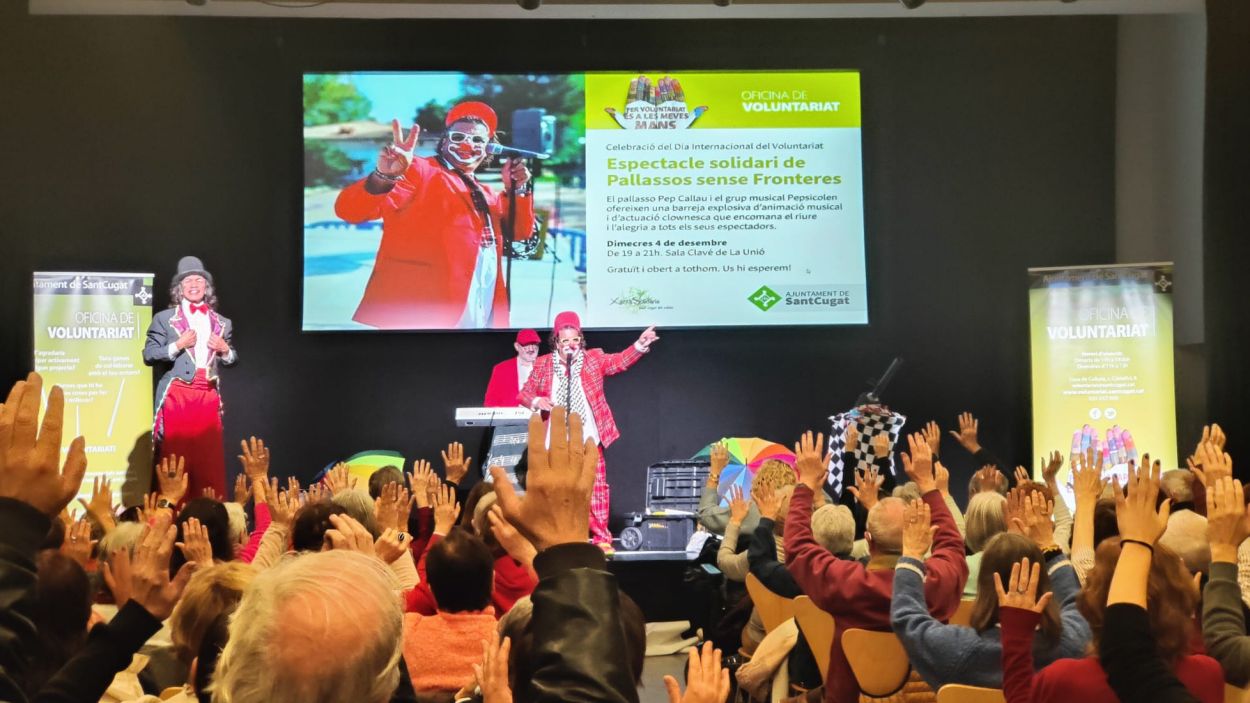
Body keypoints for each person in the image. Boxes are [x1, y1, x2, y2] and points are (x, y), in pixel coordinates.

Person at [999, 459, 1222, 703]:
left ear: (1093, 603)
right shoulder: (1208, 674)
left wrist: (1017, 635)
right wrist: (1188, 610)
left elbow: (1020, 698)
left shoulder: (1063, 679)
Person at [784, 431, 967, 703]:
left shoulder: (847, 583)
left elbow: (798, 547)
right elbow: (952, 546)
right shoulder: (937, 584)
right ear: (920, 536)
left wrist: (806, 484)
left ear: (868, 541)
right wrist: (929, 485)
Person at [334, 103, 535, 329]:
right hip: (422, 314)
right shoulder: (419, 170)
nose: (468, 144)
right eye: (458, 137)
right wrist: (384, 176)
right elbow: (350, 210)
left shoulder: (487, 192)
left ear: (488, 148)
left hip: (482, 310)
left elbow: (520, 232)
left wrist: (517, 189)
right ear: (445, 141)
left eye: (478, 140)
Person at [517, 311, 658, 549]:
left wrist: (639, 345)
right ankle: (562, 536)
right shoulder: (543, 364)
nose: (570, 345)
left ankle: (602, 538)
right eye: (565, 340)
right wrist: (537, 402)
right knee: (558, 487)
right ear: (556, 342)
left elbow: (618, 362)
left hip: (589, 437)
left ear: (580, 340)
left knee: (596, 485)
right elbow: (524, 393)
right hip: (556, 440)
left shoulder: (593, 358)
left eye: (575, 340)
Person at [143, 256, 237, 501]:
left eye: (199, 279)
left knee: (209, 463)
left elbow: (232, 358)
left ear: (207, 287)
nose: (194, 284)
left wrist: (225, 351)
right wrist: (177, 344)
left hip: (207, 396)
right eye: (188, 280)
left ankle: (211, 520)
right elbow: (149, 354)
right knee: (175, 459)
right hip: (178, 395)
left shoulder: (222, 323)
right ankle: (170, 517)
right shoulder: (164, 319)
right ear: (179, 288)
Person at [485, 329, 541, 407]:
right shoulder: (501, 369)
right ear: (517, 346)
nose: (531, 349)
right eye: (526, 345)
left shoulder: (548, 367)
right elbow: (490, 402)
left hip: (540, 418)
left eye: (534, 344)